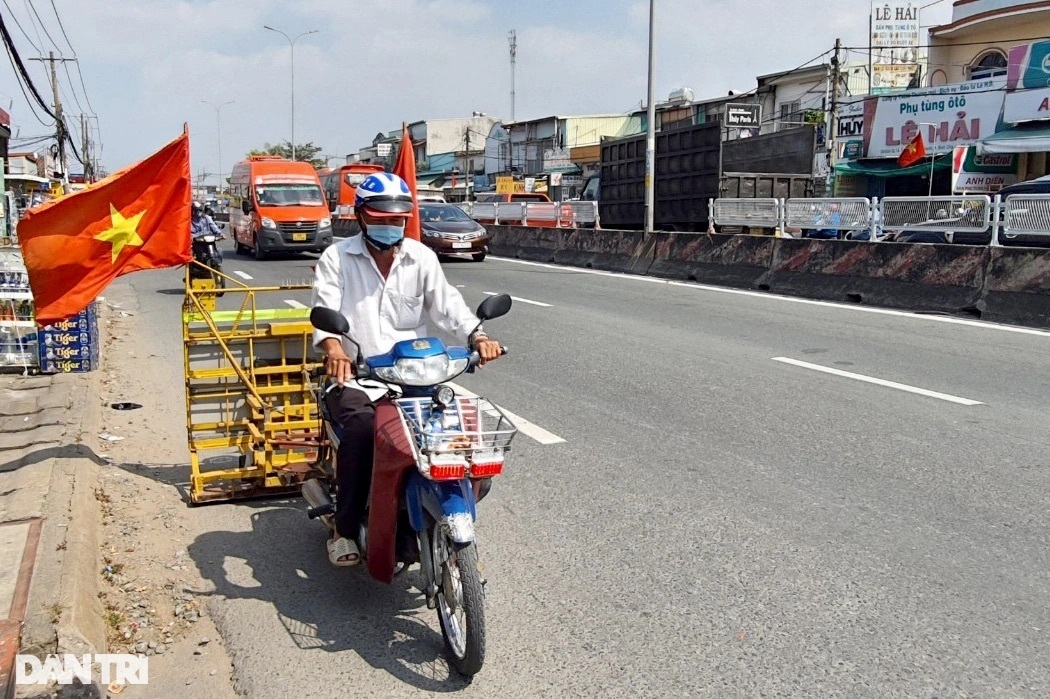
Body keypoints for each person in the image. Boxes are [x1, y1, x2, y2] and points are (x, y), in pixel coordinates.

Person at [310, 172, 504, 566]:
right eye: (381, 220)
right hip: (359, 378)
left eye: (397, 220)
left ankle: (429, 512)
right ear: (362, 217)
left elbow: (447, 305)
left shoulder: (421, 257)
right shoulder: (337, 258)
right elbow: (324, 311)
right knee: (364, 432)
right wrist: (334, 349)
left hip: (415, 378)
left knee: (458, 436)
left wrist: (477, 337)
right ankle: (345, 529)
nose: (389, 227)